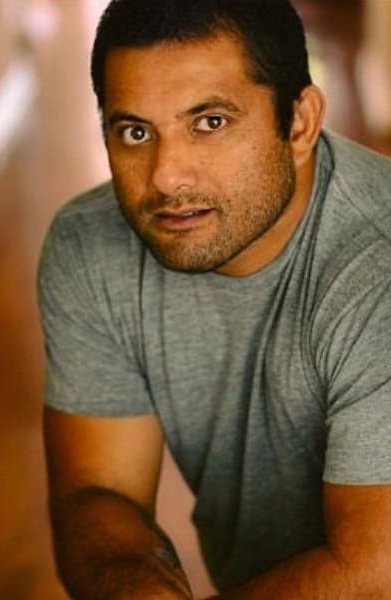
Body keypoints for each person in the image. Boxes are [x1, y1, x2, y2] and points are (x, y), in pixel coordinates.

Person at [38, 0, 391, 598]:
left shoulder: (376, 263)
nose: (166, 177)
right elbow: (98, 490)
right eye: (136, 132)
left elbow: (373, 572)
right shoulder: (91, 246)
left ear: (300, 123)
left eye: (210, 122)